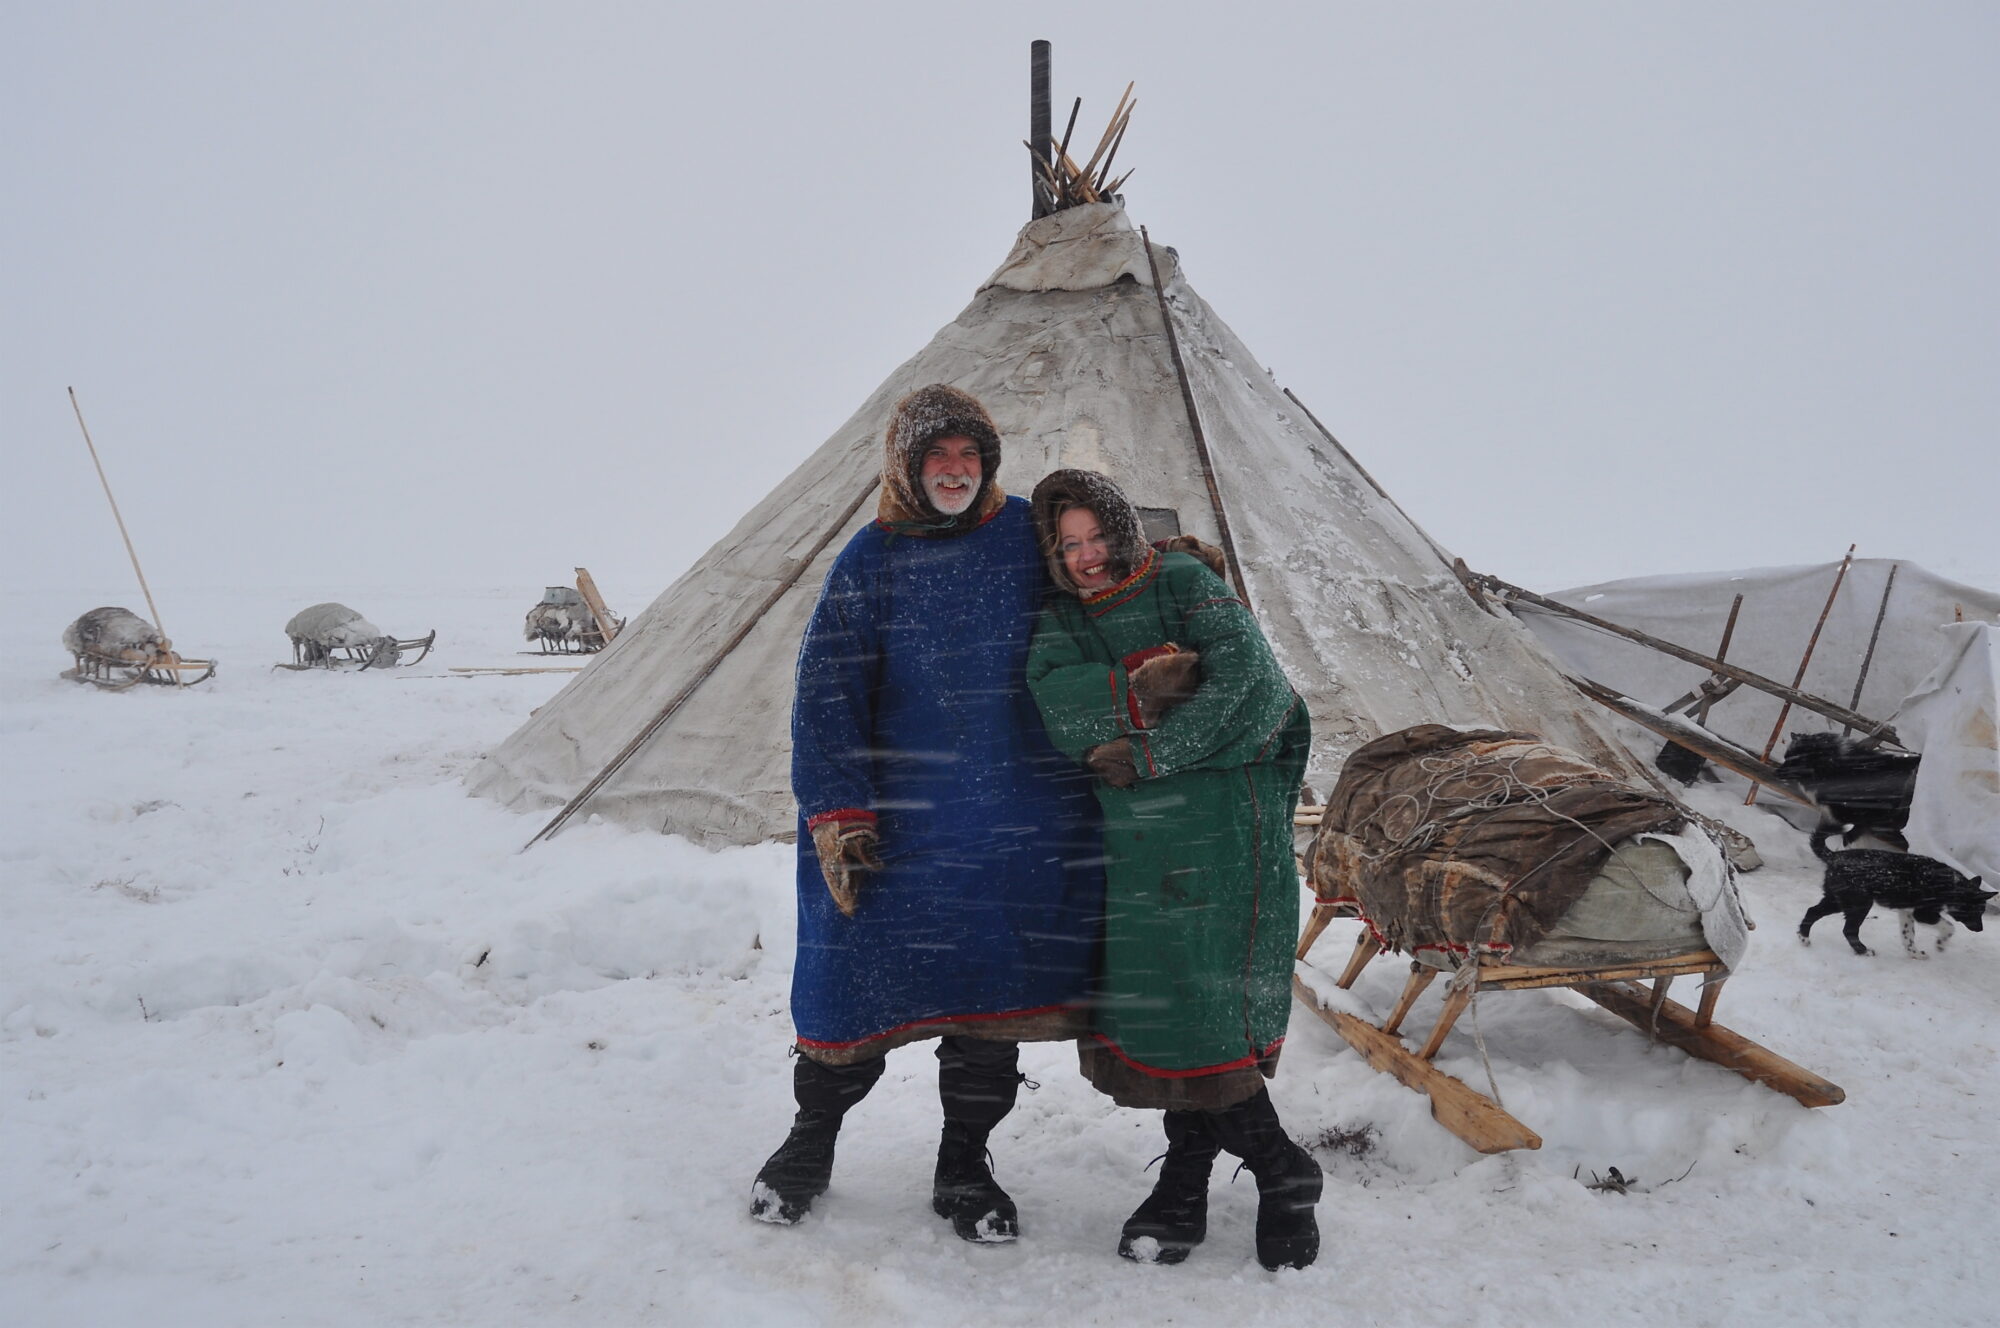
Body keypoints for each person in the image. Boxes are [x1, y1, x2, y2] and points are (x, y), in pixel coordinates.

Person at [749, 385, 1103, 1244]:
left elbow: (1107, 596)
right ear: (908, 466)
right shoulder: (874, 556)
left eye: (969, 456)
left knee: (988, 1003)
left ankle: (964, 1165)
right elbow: (827, 691)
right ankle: (809, 1143)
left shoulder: (1028, 537)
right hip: (896, 827)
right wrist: (838, 811)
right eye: (938, 456)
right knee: (851, 992)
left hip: (1013, 822)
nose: (955, 471)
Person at [1024, 468, 1322, 1271]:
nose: (1087, 558)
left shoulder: (1184, 580)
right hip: (1139, 845)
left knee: (1206, 1004)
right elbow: (1056, 707)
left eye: (1096, 537)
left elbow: (1255, 693)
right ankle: (1220, 1176)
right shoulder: (1061, 616)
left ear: (1124, 530)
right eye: (1068, 543)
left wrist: (1152, 750)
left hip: (1226, 831)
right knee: (1176, 1010)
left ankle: (1264, 1178)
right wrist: (1137, 688)